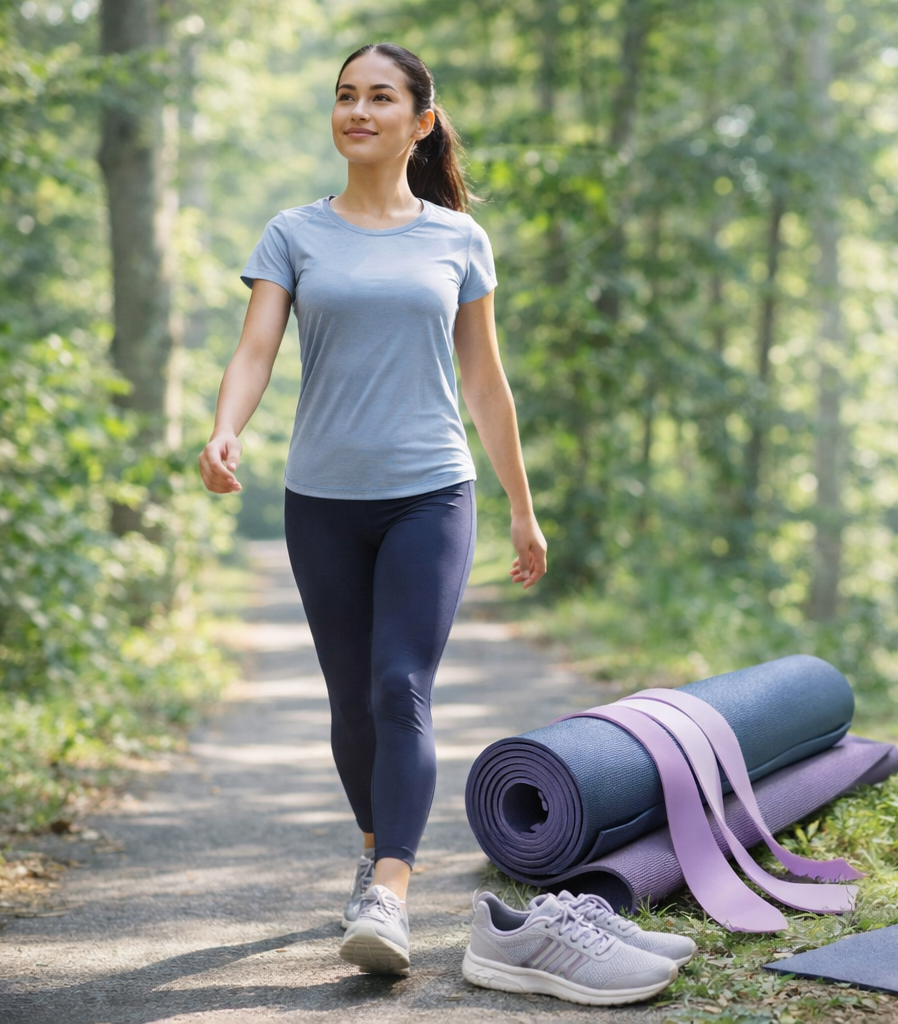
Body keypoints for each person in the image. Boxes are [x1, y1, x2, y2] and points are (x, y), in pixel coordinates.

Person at [198, 42, 548, 975]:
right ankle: (372, 847)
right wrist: (227, 427)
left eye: (380, 97)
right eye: (346, 96)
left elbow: (486, 381)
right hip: (322, 499)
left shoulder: (456, 239)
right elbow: (256, 349)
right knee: (353, 703)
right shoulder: (293, 233)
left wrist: (521, 505)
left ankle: (390, 890)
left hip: (431, 491)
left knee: (400, 688)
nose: (359, 110)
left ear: (420, 121)